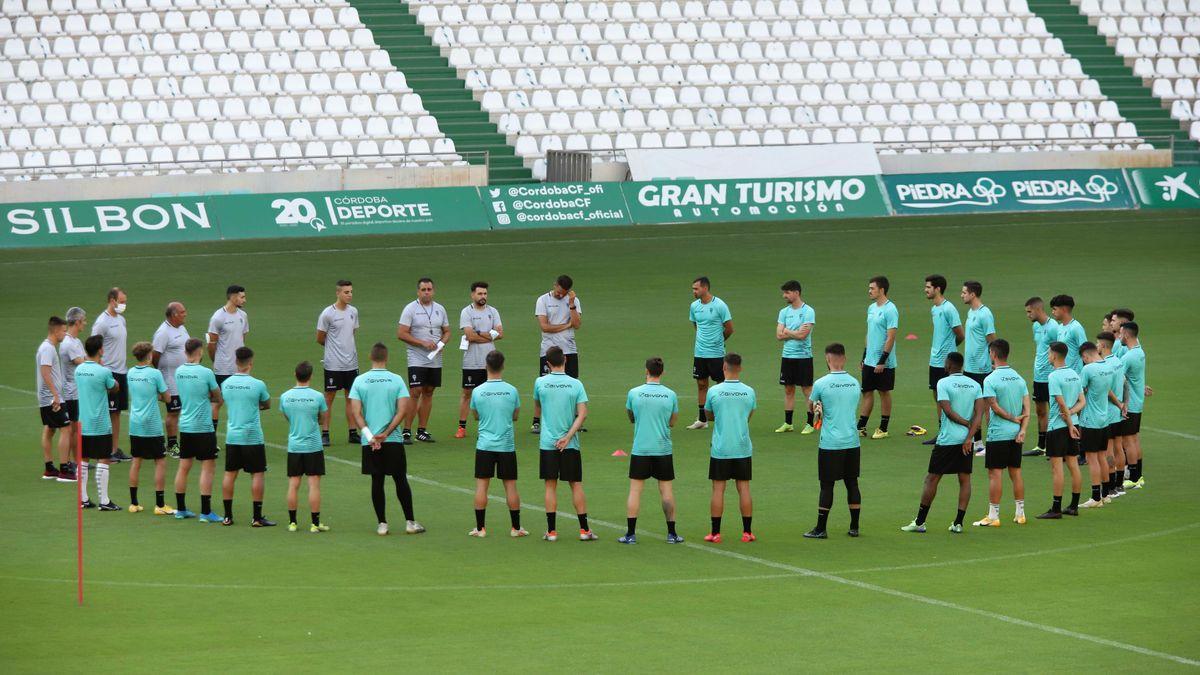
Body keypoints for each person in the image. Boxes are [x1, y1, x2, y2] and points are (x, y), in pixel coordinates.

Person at [901, 352, 983, 534]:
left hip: (947, 440)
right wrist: (969, 436)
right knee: (964, 479)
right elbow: (979, 415)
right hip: (966, 441)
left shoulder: (943, 383)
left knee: (932, 478)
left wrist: (964, 423)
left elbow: (947, 410)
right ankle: (958, 523)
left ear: (948, 365)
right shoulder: (975, 385)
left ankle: (920, 522)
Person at [349, 342, 423, 536]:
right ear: (386, 358)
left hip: (370, 442)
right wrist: (387, 433)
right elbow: (402, 411)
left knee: (377, 481)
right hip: (393, 440)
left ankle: (382, 524)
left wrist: (370, 436)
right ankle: (410, 522)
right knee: (400, 480)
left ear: (370, 357)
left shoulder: (359, 381)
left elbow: (356, 413)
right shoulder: (397, 380)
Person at [532, 346, 595, 542]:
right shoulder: (576, 384)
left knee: (550, 486)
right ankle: (584, 530)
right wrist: (568, 437)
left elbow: (538, 405)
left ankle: (551, 531)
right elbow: (583, 414)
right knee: (575, 484)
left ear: (547, 363)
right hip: (570, 444)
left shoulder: (540, 382)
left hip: (548, 443)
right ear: (565, 360)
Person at [620, 357, 683, 544]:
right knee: (666, 490)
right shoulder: (670, 395)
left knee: (635, 490)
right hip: (663, 448)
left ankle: (630, 534)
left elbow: (631, 416)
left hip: (641, 448)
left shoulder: (634, 393)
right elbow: (672, 422)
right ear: (662, 372)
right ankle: (672, 534)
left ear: (646, 371)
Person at [804, 343, 863, 539]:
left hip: (830, 442)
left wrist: (819, 407)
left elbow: (812, 409)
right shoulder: (855, 382)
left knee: (827, 485)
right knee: (852, 483)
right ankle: (854, 527)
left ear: (828, 359)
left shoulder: (821, 383)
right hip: (852, 441)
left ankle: (821, 528)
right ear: (844, 358)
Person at [468, 350, 524, 538]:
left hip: (484, 445)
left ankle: (480, 528)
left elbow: (475, 415)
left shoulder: (477, 391)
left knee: (482, 486)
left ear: (486, 366)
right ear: (503, 366)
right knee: (510, 486)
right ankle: (516, 528)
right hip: (506, 446)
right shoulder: (512, 390)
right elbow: (515, 416)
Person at [973, 340, 1029, 527]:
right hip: (1016, 434)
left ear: (993, 354)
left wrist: (1011, 418)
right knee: (1016, 472)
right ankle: (1020, 514)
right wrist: (1022, 429)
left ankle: (993, 516)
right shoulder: (1019, 378)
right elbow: (1027, 409)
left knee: (995, 474)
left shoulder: (990, 379)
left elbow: (994, 406)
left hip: (998, 434)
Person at [703, 353, 756, 543]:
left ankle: (715, 533)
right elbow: (749, 415)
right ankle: (747, 532)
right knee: (744, 488)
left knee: (718, 489)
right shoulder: (749, 391)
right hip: (742, 447)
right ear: (740, 368)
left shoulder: (714, 391)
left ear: (724, 367)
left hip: (721, 447)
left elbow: (708, 415)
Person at [220, 347, 274, 527]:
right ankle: (257, 517)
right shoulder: (258, 384)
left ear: (236, 362)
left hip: (233, 436)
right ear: (250, 363)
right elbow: (267, 404)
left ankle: (227, 516)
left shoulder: (226, 384)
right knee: (257, 474)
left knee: (230, 474)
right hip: (252, 436)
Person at [172, 338, 223, 521]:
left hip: (185, 425)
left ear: (186, 352)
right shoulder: (206, 372)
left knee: (184, 467)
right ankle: (206, 511)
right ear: (200, 352)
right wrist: (209, 395)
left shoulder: (179, 372)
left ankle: (180, 509)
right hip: (203, 426)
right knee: (207, 468)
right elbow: (217, 397)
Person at [1036, 342, 1085, 519]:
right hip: (1074, 423)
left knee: (1057, 468)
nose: (1048, 356)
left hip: (1058, 427)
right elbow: (1082, 401)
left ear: (1054, 355)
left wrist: (1068, 421)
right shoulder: (1074, 374)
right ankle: (1073, 506)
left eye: (1049, 353)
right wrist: (1072, 417)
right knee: (1073, 464)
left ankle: (1056, 508)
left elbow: (1060, 401)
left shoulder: (1054, 376)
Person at [397, 277, 449, 443]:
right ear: (418, 291)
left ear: (433, 290)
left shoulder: (440, 309)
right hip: (416, 357)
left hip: (434, 357)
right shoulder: (410, 309)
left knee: (429, 391)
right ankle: (406, 431)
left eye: (429, 289)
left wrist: (441, 343)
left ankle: (422, 430)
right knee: (415, 391)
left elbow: (447, 331)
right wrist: (422, 343)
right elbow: (402, 333)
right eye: (424, 289)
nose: (427, 292)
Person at [280, 361, 330, 533]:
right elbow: (322, 419)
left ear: (295, 374)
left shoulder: (285, 396)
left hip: (294, 446)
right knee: (314, 485)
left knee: (293, 484)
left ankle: (292, 523)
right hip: (313, 446)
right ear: (311, 376)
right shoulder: (317, 396)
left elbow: (287, 417)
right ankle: (315, 524)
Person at [126, 341, 174, 515]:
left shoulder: (130, 373)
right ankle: (160, 505)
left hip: (135, 424)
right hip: (152, 425)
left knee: (136, 460)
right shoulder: (155, 374)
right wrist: (158, 396)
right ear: (149, 355)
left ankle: (133, 503)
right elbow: (167, 398)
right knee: (160, 461)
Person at [532, 275, 583, 434]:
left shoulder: (573, 300)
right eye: (559, 292)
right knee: (544, 386)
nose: (561, 295)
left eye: (564, 293)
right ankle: (536, 422)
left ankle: (576, 421)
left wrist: (572, 305)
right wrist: (566, 325)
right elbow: (545, 327)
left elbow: (577, 325)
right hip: (549, 350)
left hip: (569, 349)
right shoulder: (542, 300)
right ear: (555, 285)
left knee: (573, 384)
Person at [76, 335, 121, 510]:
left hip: (83, 422)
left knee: (84, 459)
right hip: (100, 423)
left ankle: (83, 498)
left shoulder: (79, 370)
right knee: (103, 459)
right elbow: (114, 387)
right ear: (101, 350)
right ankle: (104, 501)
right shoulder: (104, 372)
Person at [919, 275, 963, 445]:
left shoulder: (948, 309)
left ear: (937, 289)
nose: (926, 290)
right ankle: (942, 431)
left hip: (946, 362)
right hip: (935, 361)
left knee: (948, 397)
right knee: (937, 396)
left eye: (928, 287)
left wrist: (950, 350)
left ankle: (951, 431)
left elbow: (960, 334)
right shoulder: (934, 309)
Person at [316, 279, 360, 446]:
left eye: (351, 292)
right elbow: (320, 338)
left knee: (351, 397)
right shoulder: (328, 313)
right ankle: (325, 433)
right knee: (329, 397)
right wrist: (333, 349)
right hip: (333, 364)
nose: (349, 295)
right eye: (346, 292)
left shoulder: (353, 312)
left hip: (351, 363)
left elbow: (352, 332)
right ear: (338, 293)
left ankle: (352, 432)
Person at [457, 282, 503, 439]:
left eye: (485, 294)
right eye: (480, 294)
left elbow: (500, 333)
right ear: (472, 295)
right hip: (471, 360)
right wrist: (488, 336)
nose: (483, 296)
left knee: (489, 393)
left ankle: (488, 427)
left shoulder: (493, 311)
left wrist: (478, 333)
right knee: (467, 393)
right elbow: (469, 336)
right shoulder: (466, 312)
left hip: (489, 362)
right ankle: (461, 427)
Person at [688, 276, 734, 430]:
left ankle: (722, 416)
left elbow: (729, 328)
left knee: (721, 385)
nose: (693, 291)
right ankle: (702, 420)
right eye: (693, 288)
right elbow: (697, 325)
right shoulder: (694, 306)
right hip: (700, 353)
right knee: (701, 384)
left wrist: (719, 341)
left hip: (716, 354)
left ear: (705, 288)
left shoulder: (720, 305)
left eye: (696, 288)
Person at [92, 287, 132, 462]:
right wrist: (99, 368)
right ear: (112, 300)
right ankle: (104, 450)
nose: (124, 305)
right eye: (121, 301)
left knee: (117, 413)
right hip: (109, 372)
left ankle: (114, 449)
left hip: (122, 371)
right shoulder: (101, 322)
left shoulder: (121, 320)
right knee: (107, 412)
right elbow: (93, 347)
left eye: (125, 302)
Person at [858, 276, 899, 439]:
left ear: (881, 290)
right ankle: (861, 426)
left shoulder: (891, 309)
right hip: (869, 360)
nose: (869, 291)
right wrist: (864, 356)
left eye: (872, 288)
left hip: (884, 362)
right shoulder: (871, 308)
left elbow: (891, 337)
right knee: (867, 392)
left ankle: (883, 427)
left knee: (883, 392)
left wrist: (882, 360)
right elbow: (869, 333)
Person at [775, 280, 816, 434]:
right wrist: (794, 332)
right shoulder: (783, 312)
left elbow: (803, 335)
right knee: (788, 389)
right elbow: (778, 335)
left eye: (787, 292)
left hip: (804, 357)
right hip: (787, 356)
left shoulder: (808, 311)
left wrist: (788, 331)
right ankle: (788, 423)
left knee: (807, 390)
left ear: (796, 293)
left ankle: (810, 423)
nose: (784, 295)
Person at [1077, 342, 1114, 509]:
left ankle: (1095, 497)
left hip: (1090, 420)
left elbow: (1080, 391)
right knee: (1101, 457)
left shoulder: (1088, 369)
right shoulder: (1108, 367)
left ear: (1085, 356)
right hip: (1104, 419)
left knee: (1092, 459)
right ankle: (1105, 495)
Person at [960, 281, 995, 455]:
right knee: (974, 407)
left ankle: (992, 442)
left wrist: (994, 363)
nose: (962, 295)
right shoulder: (970, 312)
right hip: (969, 368)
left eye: (964, 292)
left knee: (986, 407)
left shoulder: (985, 314)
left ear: (973, 294)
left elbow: (992, 339)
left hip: (982, 368)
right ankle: (978, 442)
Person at [207, 284, 249, 429]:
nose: (244, 300)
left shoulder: (243, 316)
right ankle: (210, 440)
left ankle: (238, 435)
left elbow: (242, 339)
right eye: (242, 297)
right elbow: (211, 344)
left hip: (239, 368)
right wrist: (217, 360)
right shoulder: (218, 317)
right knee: (217, 402)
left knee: (239, 401)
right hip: (223, 368)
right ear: (233, 297)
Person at [37, 316, 73, 481]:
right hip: (52, 399)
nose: (65, 334)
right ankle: (64, 469)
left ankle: (49, 468)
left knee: (50, 429)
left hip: (48, 398)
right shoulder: (48, 349)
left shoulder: (48, 347)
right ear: (56, 330)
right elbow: (45, 372)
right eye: (64, 331)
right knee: (66, 429)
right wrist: (56, 396)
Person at [152, 301, 189, 457]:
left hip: (182, 379)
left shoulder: (181, 328)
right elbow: (155, 356)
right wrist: (162, 377)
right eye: (182, 312)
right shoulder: (163, 332)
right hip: (170, 379)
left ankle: (180, 442)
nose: (185, 314)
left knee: (180, 410)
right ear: (174, 315)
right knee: (173, 412)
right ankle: (172, 445)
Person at [1023, 297, 1059, 456]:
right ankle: (1041, 446)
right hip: (1039, 375)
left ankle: (1056, 445)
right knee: (1040, 410)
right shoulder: (1036, 326)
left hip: (1051, 376)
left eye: (1029, 312)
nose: (1028, 315)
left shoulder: (1054, 327)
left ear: (1038, 310)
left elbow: (1061, 349)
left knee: (1056, 410)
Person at [1098, 332, 1127, 500]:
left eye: (1097, 343)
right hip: (1118, 413)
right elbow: (1124, 383)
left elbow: (1107, 391)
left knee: (1108, 450)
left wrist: (1118, 403)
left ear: (1103, 345)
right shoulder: (1117, 361)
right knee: (1118, 446)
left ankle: (1110, 488)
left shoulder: (1105, 365)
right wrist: (1124, 404)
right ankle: (1119, 484)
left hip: (1108, 411)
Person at [59, 308, 87, 481]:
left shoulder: (75, 341)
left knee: (76, 428)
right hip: (71, 392)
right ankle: (71, 462)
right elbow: (82, 362)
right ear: (76, 322)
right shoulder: (68, 343)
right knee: (72, 429)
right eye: (83, 320)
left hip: (77, 391)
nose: (85, 323)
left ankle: (76, 461)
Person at [1118, 322, 1147, 490]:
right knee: (1134, 439)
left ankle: (1133, 478)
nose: (1119, 337)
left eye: (1121, 334)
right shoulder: (1140, 351)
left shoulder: (1128, 357)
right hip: (1138, 402)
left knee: (1128, 441)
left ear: (1127, 335)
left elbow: (1118, 378)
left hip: (1130, 404)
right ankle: (1139, 476)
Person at [1050, 295, 1086, 374]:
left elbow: (1086, 352)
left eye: (1054, 309)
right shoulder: (1059, 327)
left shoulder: (1076, 328)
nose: (1052, 312)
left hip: (1075, 376)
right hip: (1062, 374)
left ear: (1064, 309)